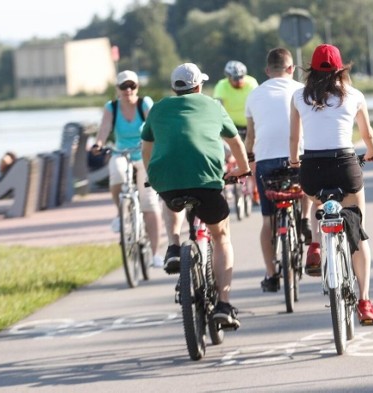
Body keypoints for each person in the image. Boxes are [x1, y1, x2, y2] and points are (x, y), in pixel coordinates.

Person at [141, 63, 251, 328]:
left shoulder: (157, 108)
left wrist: (151, 176)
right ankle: (223, 304)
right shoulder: (213, 105)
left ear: (173, 88)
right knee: (221, 236)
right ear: (199, 86)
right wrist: (243, 169)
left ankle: (173, 246)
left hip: (167, 182)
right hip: (206, 183)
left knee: (171, 196)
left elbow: (146, 146)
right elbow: (235, 142)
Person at [289, 44, 373, 325]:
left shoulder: (299, 96)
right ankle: (364, 302)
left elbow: (295, 140)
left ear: (311, 69)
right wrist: (372, 152)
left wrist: (295, 162)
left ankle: (316, 244)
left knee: (319, 204)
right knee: (358, 230)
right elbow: (367, 134)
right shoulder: (354, 95)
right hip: (345, 166)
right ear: (341, 68)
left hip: (312, 169)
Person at [244, 47, 313, 292]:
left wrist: (249, 158)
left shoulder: (254, 94)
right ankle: (304, 219)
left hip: (266, 162)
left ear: (267, 71)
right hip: (298, 155)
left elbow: (250, 136)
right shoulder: (301, 90)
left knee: (267, 220)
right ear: (291, 69)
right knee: (306, 185)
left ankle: (271, 274)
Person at [92, 70, 164, 268]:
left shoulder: (145, 104)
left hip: (144, 154)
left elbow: (155, 125)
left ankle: (156, 254)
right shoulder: (112, 107)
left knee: (149, 201)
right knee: (116, 173)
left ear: (137, 88)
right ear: (117, 89)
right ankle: (120, 212)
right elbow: (104, 129)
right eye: (123, 86)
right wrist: (98, 144)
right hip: (121, 152)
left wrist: (160, 141)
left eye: (132, 86)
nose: (128, 90)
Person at [213, 60, 260, 203]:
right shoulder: (222, 86)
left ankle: (255, 189)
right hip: (231, 125)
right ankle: (227, 184)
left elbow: (258, 104)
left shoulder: (251, 83)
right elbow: (217, 106)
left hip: (249, 124)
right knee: (225, 152)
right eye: (235, 79)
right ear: (228, 78)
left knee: (251, 157)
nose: (239, 81)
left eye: (241, 78)